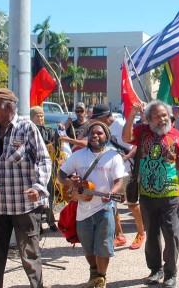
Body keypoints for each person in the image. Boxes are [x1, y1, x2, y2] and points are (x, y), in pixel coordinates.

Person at [0, 88, 51, 288]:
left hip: (24, 206)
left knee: (29, 257)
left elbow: (44, 161)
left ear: (9, 106)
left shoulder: (27, 128)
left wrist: (38, 188)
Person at [122, 100, 179, 288]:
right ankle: (155, 270)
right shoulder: (142, 132)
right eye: (157, 116)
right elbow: (125, 137)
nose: (162, 118)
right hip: (147, 195)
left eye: (164, 115)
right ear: (149, 119)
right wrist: (132, 113)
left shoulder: (177, 136)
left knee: (171, 234)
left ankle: (171, 273)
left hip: (170, 194)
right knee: (152, 234)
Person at [57, 122, 125, 288]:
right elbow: (61, 174)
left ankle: (101, 278)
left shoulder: (113, 156)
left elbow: (119, 181)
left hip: (105, 208)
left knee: (103, 245)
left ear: (106, 137)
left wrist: (111, 192)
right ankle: (94, 272)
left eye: (99, 133)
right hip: (83, 209)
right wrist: (70, 184)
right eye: (92, 133)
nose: (95, 135)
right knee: (88, 247)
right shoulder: (78, 156)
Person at [91, 104, 146, 250]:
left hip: (128, 171)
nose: (95, 122)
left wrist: (127, 156)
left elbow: (136, 144)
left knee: (133, 205)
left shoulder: (120, 124)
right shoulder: (101, 130)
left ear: (104, 117)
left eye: (97, 119)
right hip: (111, 172)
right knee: (112, 204)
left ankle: (141, 233)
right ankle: (119, 235)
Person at [30, 106, 58, 232]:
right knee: (37, 199)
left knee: (49, 196)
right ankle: (39, 224)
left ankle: (51, 221)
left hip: (48, 169)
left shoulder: (49, 130)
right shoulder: (29, 131)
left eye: (42, 115)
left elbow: (57, 145)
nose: (41, 118)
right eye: (38, 116)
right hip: (34, 170)